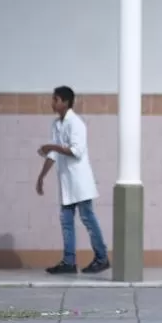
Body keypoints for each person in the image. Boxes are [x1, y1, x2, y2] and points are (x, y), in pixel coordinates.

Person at [36, 86, 110, 275]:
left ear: (66, 102)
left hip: (79, 181)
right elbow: (53, 154)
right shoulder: (56, 124)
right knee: (66, 221)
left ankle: (102, 258)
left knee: (88, 218)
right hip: (67, 182)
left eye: (56, 100)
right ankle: (69, 262)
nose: (52, 103)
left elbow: (76, 151)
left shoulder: (76, 123)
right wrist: (41, 177)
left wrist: (52, 146)